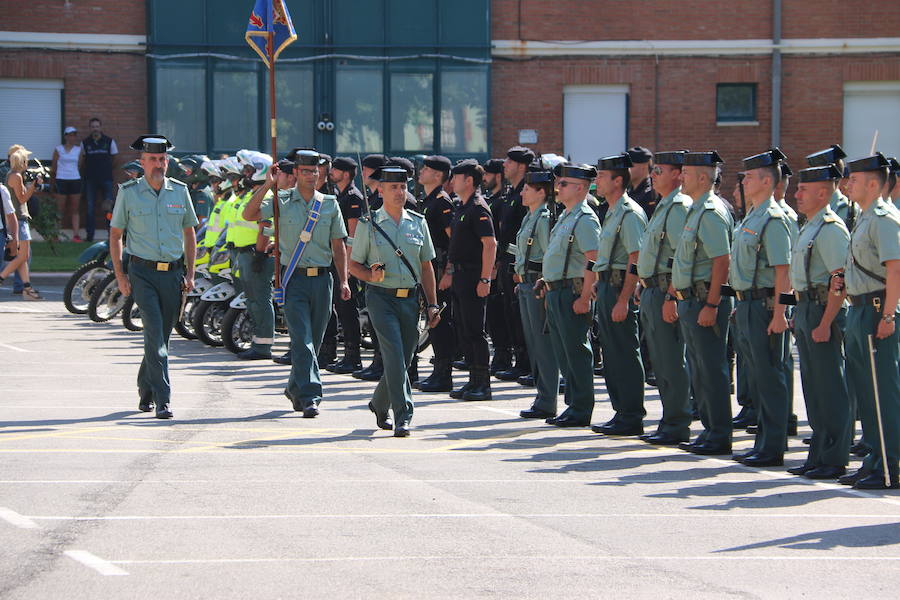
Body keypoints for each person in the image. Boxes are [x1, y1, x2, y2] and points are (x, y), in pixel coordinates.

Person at [244, 149, 350, 418]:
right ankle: (310, 395)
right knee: (301, 341)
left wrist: (345, 280)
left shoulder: (328, 204)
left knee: (312, 341)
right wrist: (269, 183)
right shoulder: (280, 200)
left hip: (322, 279)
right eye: (305, 171)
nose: (311, 175)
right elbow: (248, 214)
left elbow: (338, 246)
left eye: (315, 171)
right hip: (293, 280)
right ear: (296, 174)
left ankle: (294, 386)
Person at [109, 135, 198, 419]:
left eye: (162, 160)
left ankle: (145, 389)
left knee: (163, 335)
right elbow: (115, 235)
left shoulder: (180, 191)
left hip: (172, 274)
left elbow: (189, 233)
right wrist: (120, 275)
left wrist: (191, 273)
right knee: (154, 332)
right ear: (142, 162)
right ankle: (163, 398)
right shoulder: (129, 192)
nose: (158, 164)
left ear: (167, 162)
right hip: (142, 272)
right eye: (153, 160)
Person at [349, 167, 441, 437]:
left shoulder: (417, 222)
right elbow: (354, 265)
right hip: (381, 297)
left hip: (410, 300)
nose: (400, 192)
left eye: (403, 187)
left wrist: (433, 304)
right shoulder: (369, 224)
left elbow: (426, 267)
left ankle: (379, 403)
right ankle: (403, 415)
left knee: (405, 355)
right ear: (381, 191)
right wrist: (369, 274)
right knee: (394, 355)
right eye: (393, 188)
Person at [837, 153, 900, 490]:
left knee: (883, 392)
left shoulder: (884, 218)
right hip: (861, 308)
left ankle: (891, 465)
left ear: (873, 184)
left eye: (854, 180)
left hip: (878, 310)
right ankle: (874, 458)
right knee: (867, 391)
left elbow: (895, 270)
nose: (848, 185)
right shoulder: (863, 217)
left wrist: (888, 315)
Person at [728, 150, 794, 468]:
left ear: (767, 181)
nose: (744, 181)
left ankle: (773, 446)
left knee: (770, 376)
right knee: (758, 377)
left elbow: (784, 271)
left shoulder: (773, 218)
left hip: (766, 306)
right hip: (747, 303)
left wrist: (781, 314)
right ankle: (763, 442)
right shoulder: (753, 216)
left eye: (750, 177)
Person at [788, 164, 852, 479]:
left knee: (830, 387)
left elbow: (839, 280)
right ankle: (819, 453)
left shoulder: (830, 228)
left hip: (822, 310)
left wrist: (826, 322)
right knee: (813, 388)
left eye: (803, 190)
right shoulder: (810, 225)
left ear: (823, 193)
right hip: (806, 309)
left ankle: (835, 456)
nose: (796, 194)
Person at [670, 151, 734, 456]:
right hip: (690, 300)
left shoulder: (710, 212)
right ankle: (710, 430)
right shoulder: (696, 210)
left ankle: (719, 434)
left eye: (686, 173)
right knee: (700, 369)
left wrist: (711, 304)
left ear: (702, 178)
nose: (680, 178)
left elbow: (722, 261)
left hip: (703, 300)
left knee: (711, 369)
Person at [635, 151, 693, 445]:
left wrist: (672, 293)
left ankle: (677, 421)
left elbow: (681, 256)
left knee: (671, 360)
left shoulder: (679, 207)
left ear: (678, 175)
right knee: (660, 361)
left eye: (659, 170)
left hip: (665, 291)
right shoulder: (663, 206)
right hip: (651, 289)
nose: (653, 175)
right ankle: (669, 418)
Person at [590, 153, 648, 436]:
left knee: (625, 351)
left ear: (618, 181)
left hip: (619, 290)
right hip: (607, 286)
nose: (597, 181)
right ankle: (620, 411)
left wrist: (624, 299)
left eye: (602, 177)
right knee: (612, 354)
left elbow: (636, 259)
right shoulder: (611, 210)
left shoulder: (629, 213)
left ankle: (632, 414)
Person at [540, 163, 601, 427]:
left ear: (580, 188)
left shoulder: (585, 218)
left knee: (576, 352)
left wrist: (586, 297)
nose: (557, 187)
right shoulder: (567, 216)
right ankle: (572, 405)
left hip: (573, 292)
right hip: (557, 291)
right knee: (564, 352)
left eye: (563, 184)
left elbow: (594, 259)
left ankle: (581, 408)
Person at [440, 159, 497, 401]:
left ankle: (483, 383)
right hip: (461, 276)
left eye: (456, 177)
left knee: (475, 330)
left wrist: (485, 278)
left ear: (469, 181)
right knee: (464, 330)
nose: (452, 182)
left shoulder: (477, 207)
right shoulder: (462, 207)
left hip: (475, 275)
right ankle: (473, 380)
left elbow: (490, 244)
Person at [515, 169, 559, 419]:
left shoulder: (543, 219)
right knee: (533, 344)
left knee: (543, 345)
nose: (522, 192)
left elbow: (548, 256)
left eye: (527, 189)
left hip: (536, 285)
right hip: (525, 283)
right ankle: (542, 396)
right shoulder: (529, 217)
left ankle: (547, 399)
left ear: (541, 192)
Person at [414, 155, 457, 392]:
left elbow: (454, 241)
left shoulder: (442, 202)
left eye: (427, 169)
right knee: (433, 322)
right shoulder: (428, 200)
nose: (421, 171)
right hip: (429, 266)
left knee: (440, 320)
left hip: (439, 268)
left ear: (438, 175)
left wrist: (448, 271)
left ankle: (444, 373)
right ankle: (438, 372)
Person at [495, 147, 535, 379]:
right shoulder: (514, 192)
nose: (505, 165)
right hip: (508, 260)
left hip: (519, 263)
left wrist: (519, 265)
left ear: (521, 165)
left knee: (522, 315)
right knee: (512, 312)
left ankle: (527, 362)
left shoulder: (528, 192)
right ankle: (519, 360)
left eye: (509, 162)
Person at [324, 156, 365, 374]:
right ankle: (341, 354)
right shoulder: (340, 195)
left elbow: (353, 234)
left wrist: (347, 269)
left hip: (347, 263)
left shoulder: (353, 197)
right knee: (339, 308)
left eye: (336, 170)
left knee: (348, 310)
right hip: (337, 260)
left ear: (346, 174)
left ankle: (353, 357)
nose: (331, 173)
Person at [234, 151, 276, 361]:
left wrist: (260, 253)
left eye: (249, 169)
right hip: (246, 253)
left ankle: (263, 345)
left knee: (260, 300)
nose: (245, 173)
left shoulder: (265, 195)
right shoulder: (254, 193)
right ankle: (258, 342)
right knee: (252, 300)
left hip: (255, 254)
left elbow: (265, 228)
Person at [0, 147, 43, 299]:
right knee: (23, 256)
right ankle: (2, 277)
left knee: (22, 256)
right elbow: (22, 199)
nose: (27, 162)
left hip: (20, 217)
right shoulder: (16, 176)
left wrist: (33, 186)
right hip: (19, 218)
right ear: (21, 161)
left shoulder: (14, 175)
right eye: (26, 160)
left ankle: (27, 288)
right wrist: (33, 186)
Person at [481, 157, 511, 376]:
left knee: (501, 312)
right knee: (493, 312)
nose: (485, 179)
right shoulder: (492, 200)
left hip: (500, 264)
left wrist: (496, 264)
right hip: (493, 263)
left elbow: (501, 236)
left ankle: (504, 355)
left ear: (497, 176)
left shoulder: (503, 200)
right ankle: (500, 354)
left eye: (488, 175)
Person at [79, 117, 119, 241]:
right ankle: (90, 235)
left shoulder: (109, 141)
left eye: (97, 126)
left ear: (100, 127)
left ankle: (111, 235)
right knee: (90, 208)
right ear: (90, 128)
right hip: (90, 179)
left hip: (106, 178)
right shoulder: (85, 143)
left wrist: (106, 169)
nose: (95, 128)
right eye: (93, 126)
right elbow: (82, 160)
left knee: (108, 207)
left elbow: (115, 159)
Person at [52, 126, 83, 241]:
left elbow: (80, 165)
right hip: (61, 179)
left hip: (75, 179)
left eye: (74, 135)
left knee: (75, 208)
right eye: (69, 135)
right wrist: (52, 183)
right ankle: (56, 234)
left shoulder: (79, 149)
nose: (72, 137)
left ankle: (76, 235)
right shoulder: (58, 149)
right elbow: (54, 167)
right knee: (60, 209)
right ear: (65, 136)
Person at [627, 146, 661, 217]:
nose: (627, 170)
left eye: (630, 165)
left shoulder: (652, 193)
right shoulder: (628, 192)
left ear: (643, 167)